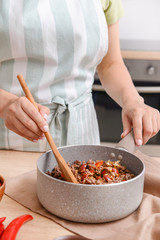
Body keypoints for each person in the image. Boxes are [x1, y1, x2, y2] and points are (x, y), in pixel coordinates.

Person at [0, 0, 159, 152]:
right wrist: (5, 104)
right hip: (7, 145)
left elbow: (110, 64)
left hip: (81, 141)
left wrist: (132, 100)